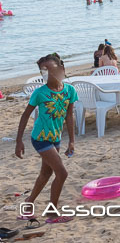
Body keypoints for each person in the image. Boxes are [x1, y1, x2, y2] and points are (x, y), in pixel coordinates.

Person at [15, 53, 77, 224]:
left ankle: (27, 206)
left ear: (61, 69)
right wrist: (19, 141)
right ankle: (52, 213)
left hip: (55, 137)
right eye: (44, 71)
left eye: (52, 69)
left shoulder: (69, 90)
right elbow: (25, 116)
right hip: (40, 138)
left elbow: (69, 116)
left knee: (46, 173)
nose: (48, 74)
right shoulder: (40, 93)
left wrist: (72, 141)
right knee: (62, 173)